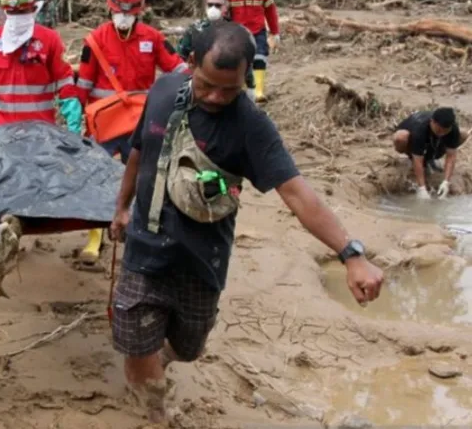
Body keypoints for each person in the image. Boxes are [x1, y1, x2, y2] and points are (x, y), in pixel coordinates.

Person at [108, 21, 384, 423]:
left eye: (230, 89)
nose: (217, 97)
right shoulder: (164, 91)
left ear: (245, 79)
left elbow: (297, 193)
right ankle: (155, 413)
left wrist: (350, 253)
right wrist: (121, 207)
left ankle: (165, 354)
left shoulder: (251, 125)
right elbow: (138, 153)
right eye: (207, 85)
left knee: (189, 348)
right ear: (190, 63)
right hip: (144, 251)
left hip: (200, 261)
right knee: (137, 346)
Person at [76, 0, 187, 266]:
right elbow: (81, 89)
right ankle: (94, 238)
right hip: (104, 125)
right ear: (109, 5)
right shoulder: (95, 41)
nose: (123, 17)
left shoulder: (153, 38)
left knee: (143, 179)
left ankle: (138, 234)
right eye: (118, 10)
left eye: (129, 11)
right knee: (96, 178)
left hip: (140, 123)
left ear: (139, 9)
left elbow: (179, 70)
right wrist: (76, 125)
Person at [0, 0, 81, 134]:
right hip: (2, 134)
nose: (17, 17)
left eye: (22, 11)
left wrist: (74, 130)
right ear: (4, 10)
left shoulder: (50, 40)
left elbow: (66, 87)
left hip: (41, 135)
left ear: (33, 7)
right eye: (12, 12)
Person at [177, 0, 255, 99]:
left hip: (228, 87)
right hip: (198, 86)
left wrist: (251, 86)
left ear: (226, 7)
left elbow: (246, 61)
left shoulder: (237, 32)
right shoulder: (194, 30)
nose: (213, 8)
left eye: (218, 5)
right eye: (210, 5)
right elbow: (180, 58)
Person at [225, 0, 280, 103]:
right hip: (238, 33)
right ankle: (241, 91)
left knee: (260, 58)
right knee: (240, 61)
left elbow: (270, 11)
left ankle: (259, 91)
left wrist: (275, 32)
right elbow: (225, 13)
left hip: (258, 31)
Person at [393, 107, 469, 199]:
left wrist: (446, 182)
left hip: (434, 145)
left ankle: (431, 158)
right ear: (432, 122)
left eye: (445, 131)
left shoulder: (453, 129)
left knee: (463, 134)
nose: (442, 134)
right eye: (439, 130)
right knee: (401, 137)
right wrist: (422, 189)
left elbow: (451, 156)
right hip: (410, 143)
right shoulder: (420, 128)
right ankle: (413, 158)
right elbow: (417, 160)